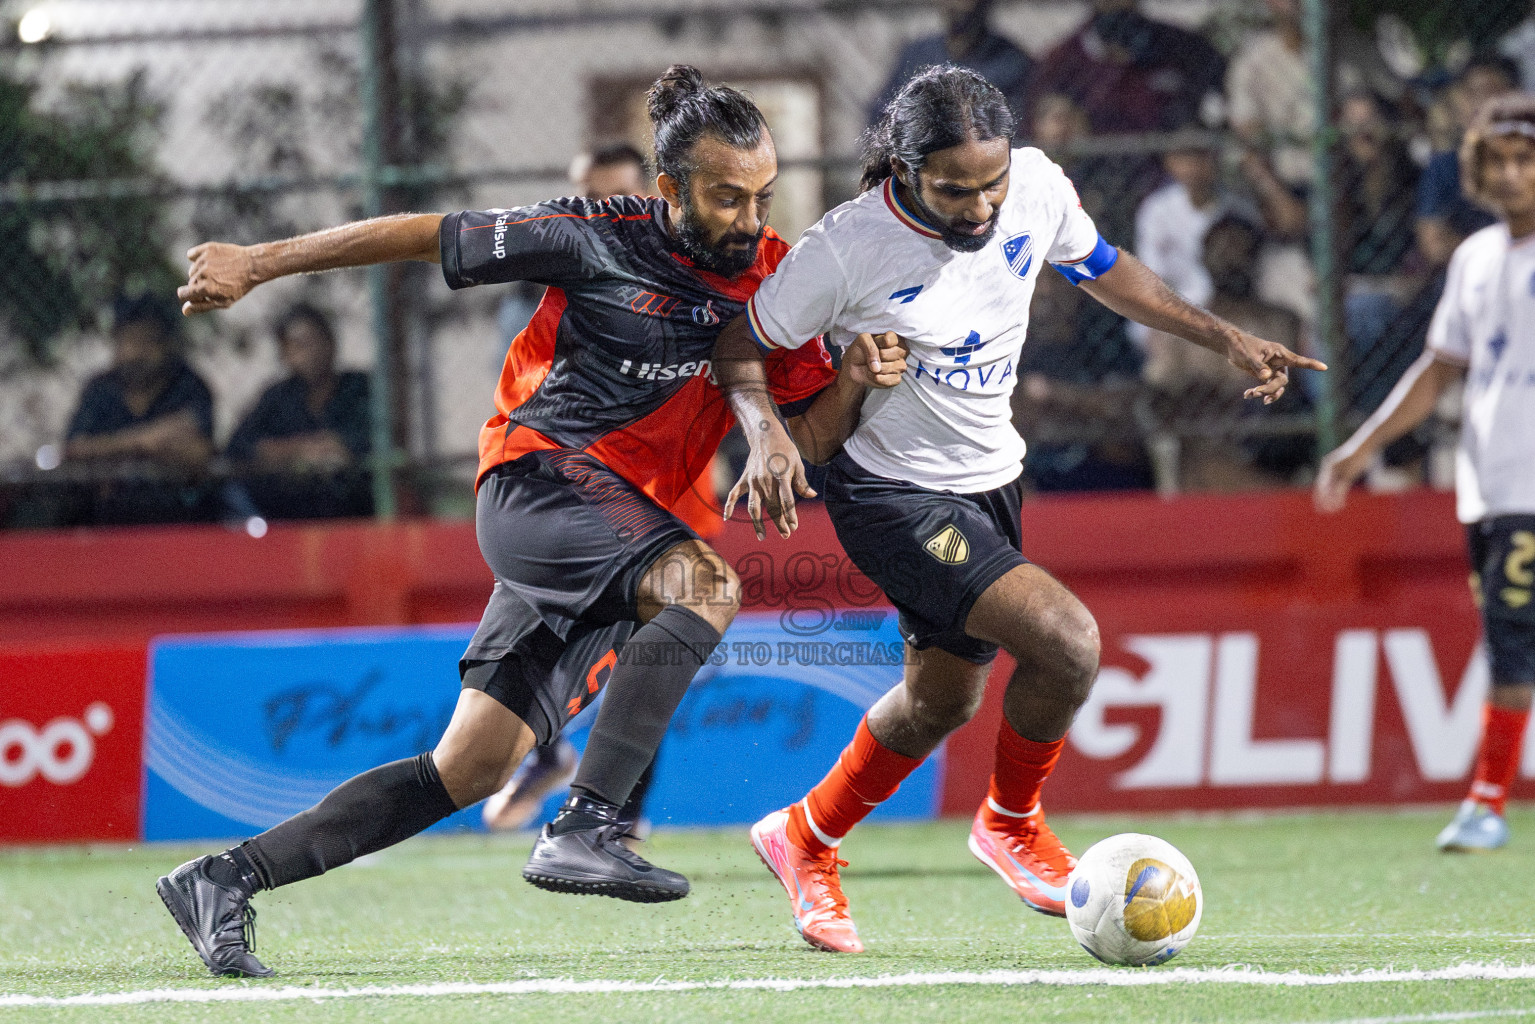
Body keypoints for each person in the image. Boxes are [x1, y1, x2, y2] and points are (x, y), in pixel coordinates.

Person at [156, 65, 906, 978]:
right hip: (538, 480)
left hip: (616, 528)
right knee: (705, 586)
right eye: (724, 197)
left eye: (760, 195)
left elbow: (810, 442)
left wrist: (857, 384)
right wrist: (259, 262)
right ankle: (587, 825)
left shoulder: (772, 277)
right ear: (667, 189)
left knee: (468, 766)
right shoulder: (590, 234)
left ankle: (224, 878)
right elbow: (421, 235)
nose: (748, 218)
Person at [715, 65, 1320, 953]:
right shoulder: (845, 248)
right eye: (952, 190)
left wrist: (1224, 337)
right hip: (889, 490)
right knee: (1066, 641)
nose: (977, 207)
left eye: (989, 183)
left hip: (991, 478)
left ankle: (801, 835)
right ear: (904, 170)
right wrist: (765, 429)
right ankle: (1009, 821)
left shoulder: (1035, 185)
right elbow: (741, 343)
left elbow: (1105, 271)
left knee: (939, 703)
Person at [1316, 94, 1535, 853]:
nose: (1509, 174)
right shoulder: (1474, 260)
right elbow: (1437, 371)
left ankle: (1485, 802)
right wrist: (1360, 447)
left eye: (1524, 159)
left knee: (1513, 645)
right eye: (1495, 161)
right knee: (1509, 640)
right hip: (1490, 486)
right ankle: (1486, 802)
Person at [483, 141, 667, 835]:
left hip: (654, 487)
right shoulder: (537, 284)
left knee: (648, 645)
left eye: (608, 195)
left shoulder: (680, 279)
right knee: (542, 627)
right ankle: (555, 755)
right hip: (557, 487)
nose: (592, 210)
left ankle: (615, 811)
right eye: (582, 195)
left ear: (650, 196)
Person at [63, 293, 216, 525]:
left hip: (176, 513)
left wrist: (109, 449)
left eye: (147, 341)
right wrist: (142, 441)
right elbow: (74, 449)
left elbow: (198, 453)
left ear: (166, 344)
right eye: (128, 341)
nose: (136, 352)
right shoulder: (101, 389)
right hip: (104, 513)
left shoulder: (188, 385)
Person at [225, 303, 372, 520]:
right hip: (289, 512)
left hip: (353, 509)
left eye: (312, 342)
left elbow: (364, 441)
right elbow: (238, 446)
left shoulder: (359, 387)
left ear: (330, 343)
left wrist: (336, 448)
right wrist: (297, 450)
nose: (307, 353)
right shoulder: (279, 396)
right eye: (295, 346)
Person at [1025, 0, 1224, 134]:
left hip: (1172, 179)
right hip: (1090, 180)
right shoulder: (1062, 61)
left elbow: (1220, 103)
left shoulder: (1183, 46)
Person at [1417, 56, 1519, 269]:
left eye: (1489, 92)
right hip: (1475, 273)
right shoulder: (1444, 165)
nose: (1478, 104)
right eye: (1470, 94)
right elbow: (1434, 244)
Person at [868, 0, 1031, 131]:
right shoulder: (917, 54)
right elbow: (882, 112)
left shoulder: (1011, 62)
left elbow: (1015, 126)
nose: (957, 6)